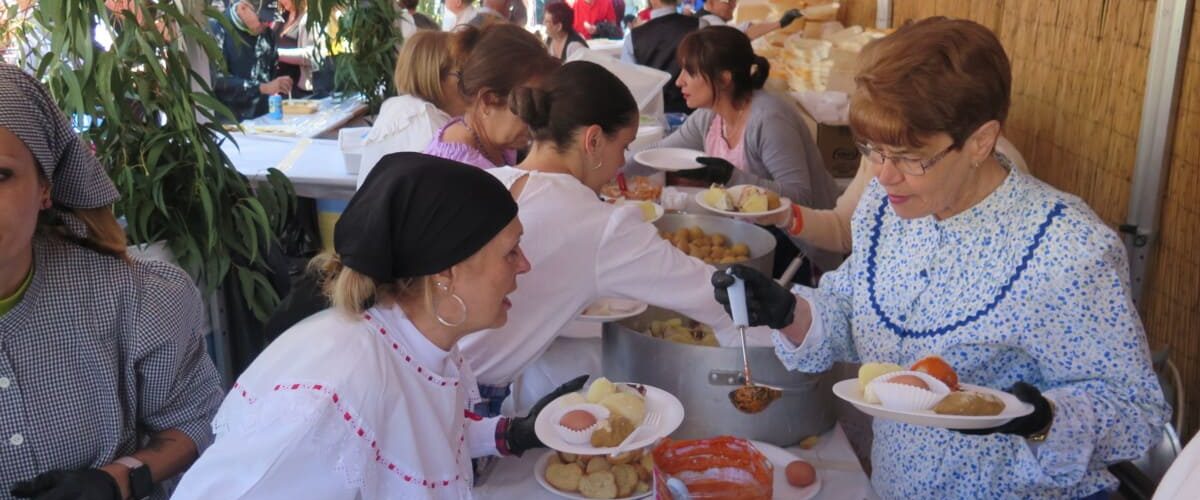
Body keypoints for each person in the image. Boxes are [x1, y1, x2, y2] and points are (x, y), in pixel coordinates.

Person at [709, 18, 1169, 499]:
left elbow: (1135, 410)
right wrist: (789, 312)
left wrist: (1039, 418)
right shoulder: (886, 209)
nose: (883, 175)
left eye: (910, 156)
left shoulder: (1067, 249)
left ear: (980, 141)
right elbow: (852, 311)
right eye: (872, 151)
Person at [172, 154, 585, 499]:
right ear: (447, 273)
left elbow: (414, 436)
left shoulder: (416, 338)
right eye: (510, 252)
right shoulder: (335, 392)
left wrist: (513, 434)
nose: (526, 264)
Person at [459, 61, 739, 415]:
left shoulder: (491, 180)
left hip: (423, 380)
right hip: (466, 401)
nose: (622, 163)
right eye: (623, 146)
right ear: (592, 140)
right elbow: (713, 296)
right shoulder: (600, 223)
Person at [0, 63, 223, 500]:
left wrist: (118, 478)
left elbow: (199, 419)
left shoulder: (134, 299)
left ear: (45, 186)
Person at [628, 26, 840, 272]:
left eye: (690, 72)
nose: (679, 81)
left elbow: (801, 197)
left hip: (800, 250)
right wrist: (603, 168)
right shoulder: (708, 117)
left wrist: (730, 177)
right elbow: (656, 153)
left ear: (724, 79)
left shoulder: (769, 120)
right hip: (755, 233)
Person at [423, 24, 559, 169]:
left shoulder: (496, 143)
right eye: (529, 101)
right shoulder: (463, 168)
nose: (540, 117)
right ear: (488, 100)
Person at [358, 29, 473, 186]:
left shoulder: (396, 107)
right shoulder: (428, 124)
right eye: (463, 75)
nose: (472, 86)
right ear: (435, 77)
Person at [210, 0, 293, 120]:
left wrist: (279, 85)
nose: (265, 24)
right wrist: (262, 87)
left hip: (263, 117)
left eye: (270, 20)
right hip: (230, 121)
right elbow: (217, 81)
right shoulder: (217, 29)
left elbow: (271, 72)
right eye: (261, 19)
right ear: (243, 8)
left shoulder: (267, 34)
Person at [621, 0, 697, 114]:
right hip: (693, 110)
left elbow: (629, 84)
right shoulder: (700, 26)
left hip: (651, 115)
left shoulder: (633, 37)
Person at [274, 0, 323, 96]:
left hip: (300, 90)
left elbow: (313, 55)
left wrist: (277, 54)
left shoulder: (309, 17)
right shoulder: (282, 16)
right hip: (280, 89)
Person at [696, 0, 800, 40]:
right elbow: (740, 37)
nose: (734, 5)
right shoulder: (709, 21)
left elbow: (744, 31)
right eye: (728, 1)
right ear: (710, 3)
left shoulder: (707, 20)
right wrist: (780, 23)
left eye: (734, 1)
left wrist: (780, 23)